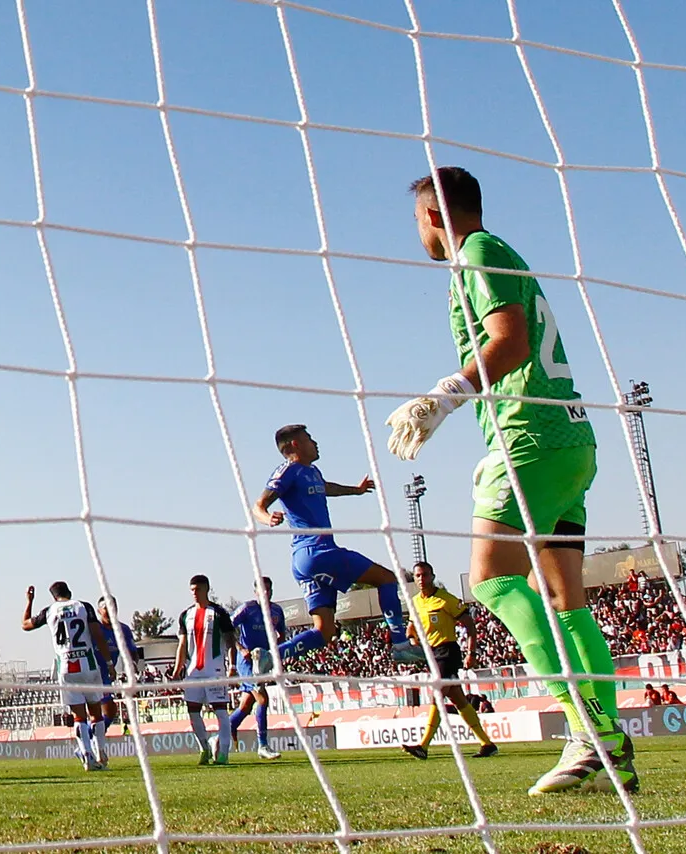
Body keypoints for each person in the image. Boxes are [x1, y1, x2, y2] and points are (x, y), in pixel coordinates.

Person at [388, 167, 636, 795]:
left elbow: (511, 341)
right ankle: (609, 744)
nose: (417, 232)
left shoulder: (478, 252)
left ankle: (587, 728)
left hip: (531, 438)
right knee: (564, 600)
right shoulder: (499, 254)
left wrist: (446, 394)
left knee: (492, 580)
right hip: (571, 438)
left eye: (417, 219)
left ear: (435, 217)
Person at [252, 426, 422, 669]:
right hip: (318, 552)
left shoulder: (311, 472)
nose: (315, 442)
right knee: (386, 579)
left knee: (325, 632)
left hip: (304, 561)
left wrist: (356, 490)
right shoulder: (287, 470)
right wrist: (267, 518)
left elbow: (326, 487)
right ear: (295, 445)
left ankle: (272, 657)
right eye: (309, 438)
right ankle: (400, 645)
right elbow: (258, 505)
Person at [401, 561, 497, 760]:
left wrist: (471, 652)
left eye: (425, 575)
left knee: (437, 694)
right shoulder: (416, 602)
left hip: (447, 651)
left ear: (432, 576)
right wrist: (413, 640)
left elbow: (469, 625)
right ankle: (487, 744)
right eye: (418, 576)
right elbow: (410, 629)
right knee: (458, 699)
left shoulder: (446, 599)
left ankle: (423, 745)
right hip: (431, 654)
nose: (421, 579)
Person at [22, 582, 114, 771]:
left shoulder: (49, 611)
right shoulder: (84, 607)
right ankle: (101, 751)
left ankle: (87, 755)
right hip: (88, 665)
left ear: (54, 597)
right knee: (95, 713)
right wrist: (109, 663)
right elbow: (98, 636)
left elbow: (25, 625)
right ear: (69, 593)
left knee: (78, 716)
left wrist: (29, 601)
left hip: (66, 667)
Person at [172, 575, 236, 765]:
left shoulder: (218, 613)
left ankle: (223, 752)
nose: (195, 593)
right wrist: (177, 670)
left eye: (198, 589)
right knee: (192, 710)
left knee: (220, 711)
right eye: (192, 590)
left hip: (214, 668)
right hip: (193, 671)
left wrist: (232, 665)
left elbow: (230, 640)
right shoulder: (186, 615)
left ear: (206, 589)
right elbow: (182, 644)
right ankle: (204, 748)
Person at [229, 577, 285, 760]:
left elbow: (282, 635)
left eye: (269, 589)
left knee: (246, 706)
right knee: (262, 698)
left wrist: (273, 654)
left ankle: (222, 734)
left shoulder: (276, 611)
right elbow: (227, 630)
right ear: (256, 592)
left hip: (262, 661)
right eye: (262, 590)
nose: (266, 593)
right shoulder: (247, 608)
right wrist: (241, 649)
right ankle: (263, 745)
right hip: (246, 661)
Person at [94, 595, 142, 734]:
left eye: (113, 607)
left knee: (109, 712)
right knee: (105, 710)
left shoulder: (123, 630)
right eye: (105, 608)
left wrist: (133, 663)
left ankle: (93, 738)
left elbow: (132, 651)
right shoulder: (94, 629)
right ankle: (91, 741)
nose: (110, 611)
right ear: (99, 611)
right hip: (94, 675)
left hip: (107, 677)